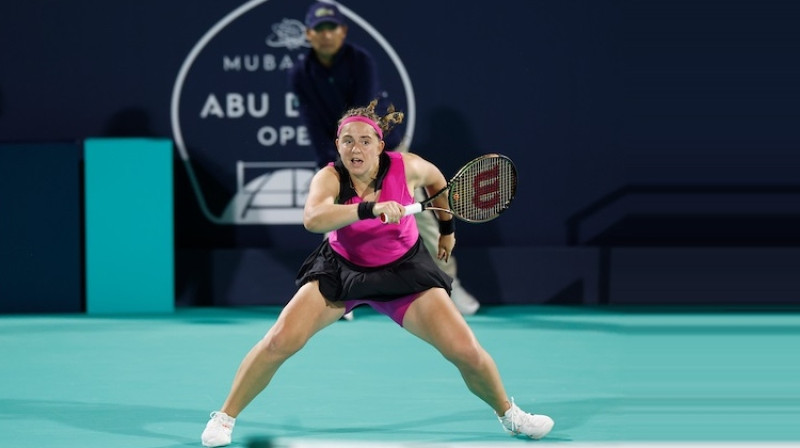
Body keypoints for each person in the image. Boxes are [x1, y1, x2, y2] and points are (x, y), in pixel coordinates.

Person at [200, 101, 554, 447]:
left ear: (380, 146)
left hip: (405, 271)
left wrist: (447, 228)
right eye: (347, 141)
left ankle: (510, 415)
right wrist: (369, 208)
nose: (356, 148)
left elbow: (436, 182)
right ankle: (224, 417)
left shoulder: (408, 167)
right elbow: (313, 218)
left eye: (365, 141)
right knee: (278, 341)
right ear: (338, 146)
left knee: (466, 350)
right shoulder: (329, 177)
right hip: (341, 270)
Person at [289, 1, 479, 316]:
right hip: (341, 153)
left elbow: (366, 115)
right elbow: (312, 121)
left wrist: (364, 151)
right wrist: (336, 166)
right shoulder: (300, 73)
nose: (326, 35)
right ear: (309, 34)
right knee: (331, 214)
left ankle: (449, 284)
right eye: (319, 29)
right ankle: (336, 287)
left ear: (343, 31)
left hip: (384, 148)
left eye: (331, 28)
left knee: (421, 220)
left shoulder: (360, 61)